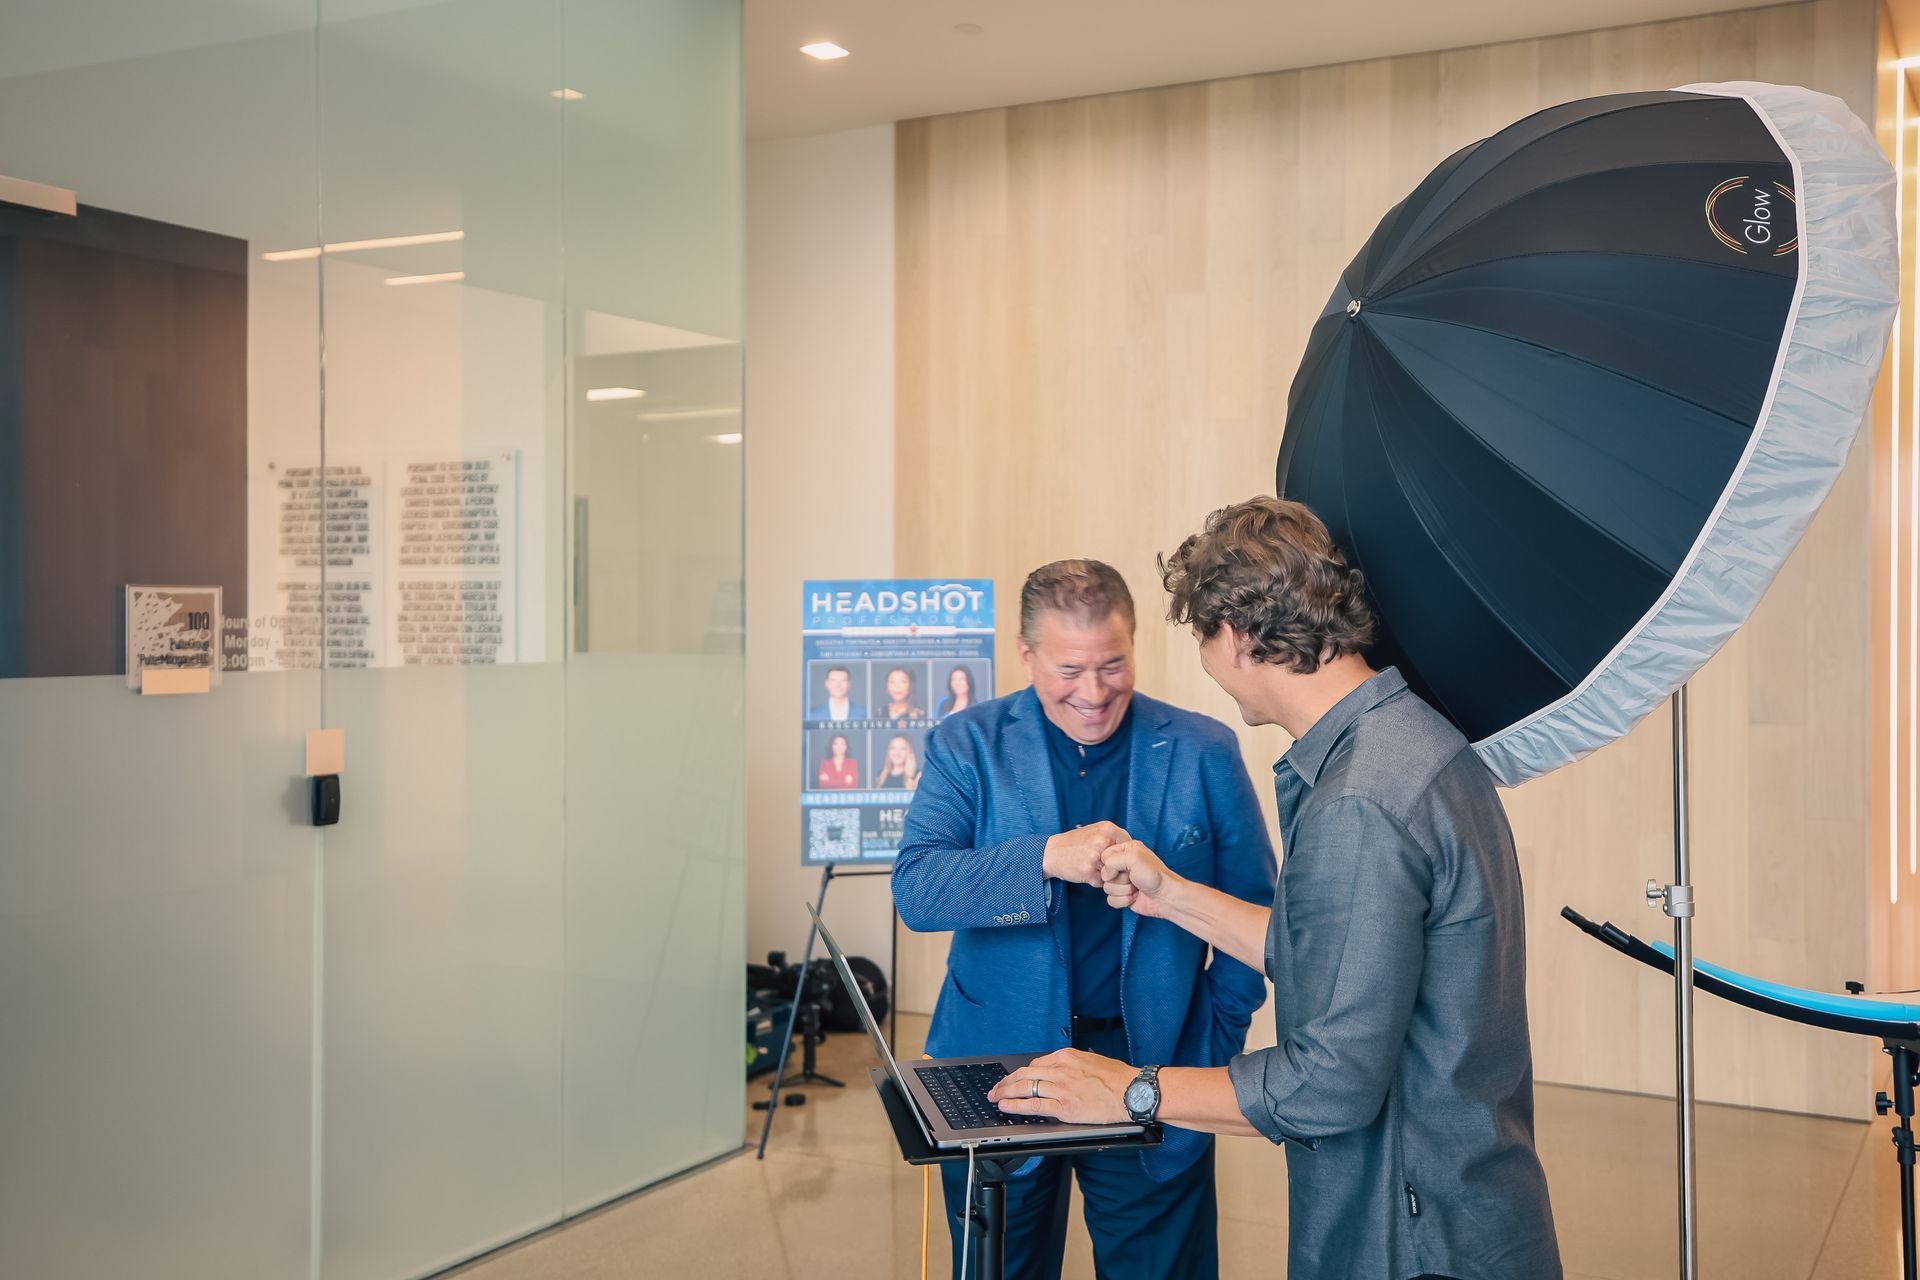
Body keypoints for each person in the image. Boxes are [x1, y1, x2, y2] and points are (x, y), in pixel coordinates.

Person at [986, 499, 1562, 1280]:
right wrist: (1170, 894)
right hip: (1468, 1204)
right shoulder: (1416, 739)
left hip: (1409, 1233)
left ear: (1232, 636)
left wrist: (1132, 1091)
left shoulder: (1359, 802)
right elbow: (1341, 961)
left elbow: (1328, 1084)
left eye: (1200, 639)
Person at [894, 559, 1276, 1280]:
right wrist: (1044, 857)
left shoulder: (1203, 749)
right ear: (1026, 654)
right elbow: (918, 890)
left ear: (1134, 644)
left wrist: (1212, 1038)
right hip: (997, 1065)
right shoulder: (966, 742)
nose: (1094, 693)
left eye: (1113, 665)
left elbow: (1256, 909)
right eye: (1070, 670)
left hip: (1151, 1066)